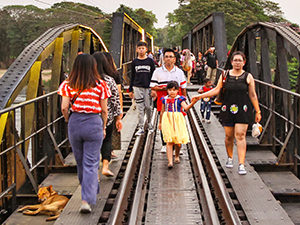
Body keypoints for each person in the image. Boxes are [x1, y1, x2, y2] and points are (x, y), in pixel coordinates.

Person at [192, 51, 261, 175]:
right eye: (235, 60)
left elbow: (253, 95)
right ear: (231, 62)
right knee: (229, 136)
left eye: (240, 60)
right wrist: (201, 96)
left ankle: (241, 164)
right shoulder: (225, 75)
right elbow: (216, 90)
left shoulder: (248, 76)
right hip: (227, 108)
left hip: (243, 109)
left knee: (240, 135)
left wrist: (258, 111)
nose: (237, 63)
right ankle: (230, 157)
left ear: (244, 62)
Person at [58, 54, 111, 213]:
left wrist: (69, 120)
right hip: (93, 122)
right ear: (93, 67)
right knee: (91, 162)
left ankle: (88, 190)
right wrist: (103, 127)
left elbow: (64, 107)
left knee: (80, 161)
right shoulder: (101, 85)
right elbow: (104, 110)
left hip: (75, 123)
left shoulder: (67, 84)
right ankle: (86, 199)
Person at [150, 48, 187, 153]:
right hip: (163, 101)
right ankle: (164, 143)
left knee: (176, 123)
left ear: (175, 59)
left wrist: (184, 101)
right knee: (164, 122)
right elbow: (152, 86)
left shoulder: (179, 72)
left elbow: (183, 88)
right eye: (166, 57)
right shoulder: (157, 71)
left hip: (177, 102)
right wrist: (161, 88)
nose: (168, 59)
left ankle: (177, 144)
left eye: (171, 57)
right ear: (163, 58)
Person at [93, 52, 123, 177]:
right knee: (107, 141)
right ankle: (105, 166)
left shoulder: (87, 79)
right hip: (107, 116)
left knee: (93, 144)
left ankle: (93, 171)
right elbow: (115, 99)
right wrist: (118, 117)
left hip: (90, 117)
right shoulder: (109, 80)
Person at [159, 81, 197, 168]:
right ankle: (170, 162)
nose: (172, 92)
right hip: (167, 119)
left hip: (178, 119)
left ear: (177, 90)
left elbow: (186, 108)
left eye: (174, 90)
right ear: (167, 90)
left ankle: (176, 155)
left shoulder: (180, 99)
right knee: (169, 140)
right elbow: (162, 111)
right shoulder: (164, 99)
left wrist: (193, 103)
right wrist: (160, 122)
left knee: (178, 141)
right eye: (170, 90)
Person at [129, 41, 155, 135]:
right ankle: (140, 127)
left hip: (148, 87)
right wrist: (130, 89)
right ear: (136, 49)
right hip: (137, 87)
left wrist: (154, 88)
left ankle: (149, 124)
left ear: (146, 49)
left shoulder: (150, 61)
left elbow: (154, 75)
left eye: (143, 48)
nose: (141, 50)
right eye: (139, 48)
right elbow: (132, 75)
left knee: (148, 107)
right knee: (140, 108)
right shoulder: (135, 62)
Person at [102, 52, 123, 159]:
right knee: (112, 129)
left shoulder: (94, 76)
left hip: (99, 109)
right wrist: (119, 110)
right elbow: (118, 92)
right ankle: (110, 151)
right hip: (111, 107)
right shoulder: (114, 74)